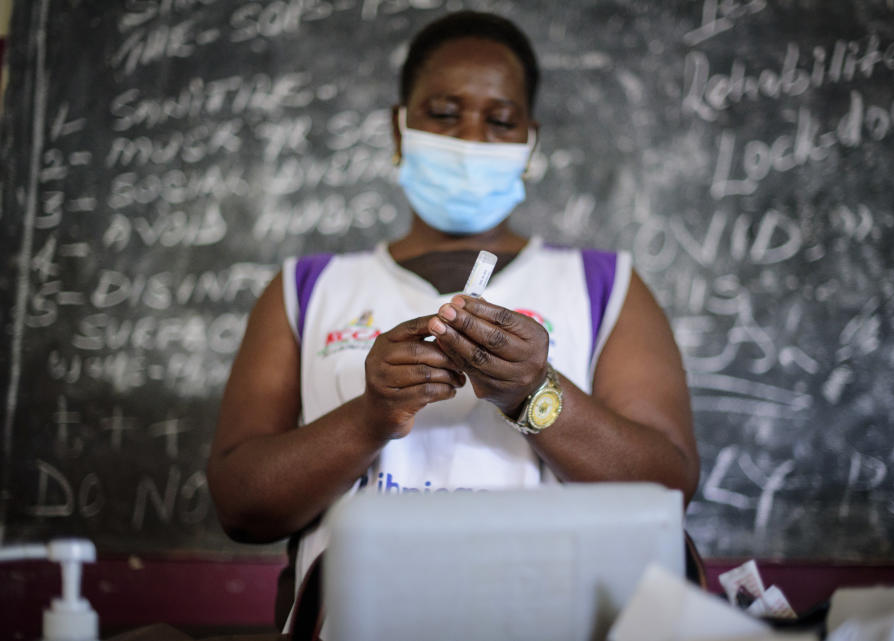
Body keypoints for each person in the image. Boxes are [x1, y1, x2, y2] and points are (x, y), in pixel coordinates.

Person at [206, 9, 699, 633]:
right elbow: (241, 504)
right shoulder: (308, 288)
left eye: (499, 121)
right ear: (399, 126)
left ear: (529, 141)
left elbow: (667, 485)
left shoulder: (606, 285)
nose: (470, 138)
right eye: (443, 113)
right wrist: (371, 416)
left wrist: (533, 390)